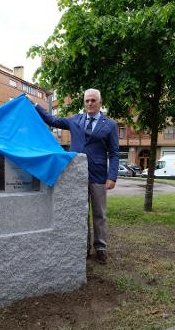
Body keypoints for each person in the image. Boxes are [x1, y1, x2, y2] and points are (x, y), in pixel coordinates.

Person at [35, 88, 119, 264]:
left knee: (99, 213)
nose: (89, 103)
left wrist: (112, 176)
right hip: (76, 176)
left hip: (98, 176)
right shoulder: (75, 120)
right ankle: (83, 247)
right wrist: (36, 106)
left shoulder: (110, 124)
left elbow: (114, 153)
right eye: (87, 100)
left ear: (100, 103)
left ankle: (101, 247)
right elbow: (52, 120)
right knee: (80, 213)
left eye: (93, 100)